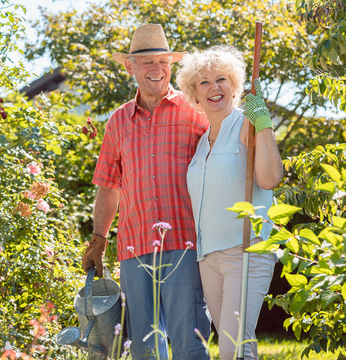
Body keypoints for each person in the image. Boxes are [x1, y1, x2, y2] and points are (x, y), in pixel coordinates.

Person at [81, 24, 211, 360]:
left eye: (163, 61)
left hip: (185, 244)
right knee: (144, 349)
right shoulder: (118, 121)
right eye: (147, 62)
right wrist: (99, 239)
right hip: (134, 248)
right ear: (130, 67)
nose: (157, 69)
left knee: (189, 342)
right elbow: (110, 187)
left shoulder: (196, 112)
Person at [176, 45, 283, 360]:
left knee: (231, 349)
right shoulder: (202, 141)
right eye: (204, 82)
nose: (214, 88)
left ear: (234, 85)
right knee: (235, 345)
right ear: (194, 93)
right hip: (208, 257)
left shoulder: (244, 124)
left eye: (221, 79)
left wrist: (262, 122)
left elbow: (270, 178)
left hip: (245, 249)